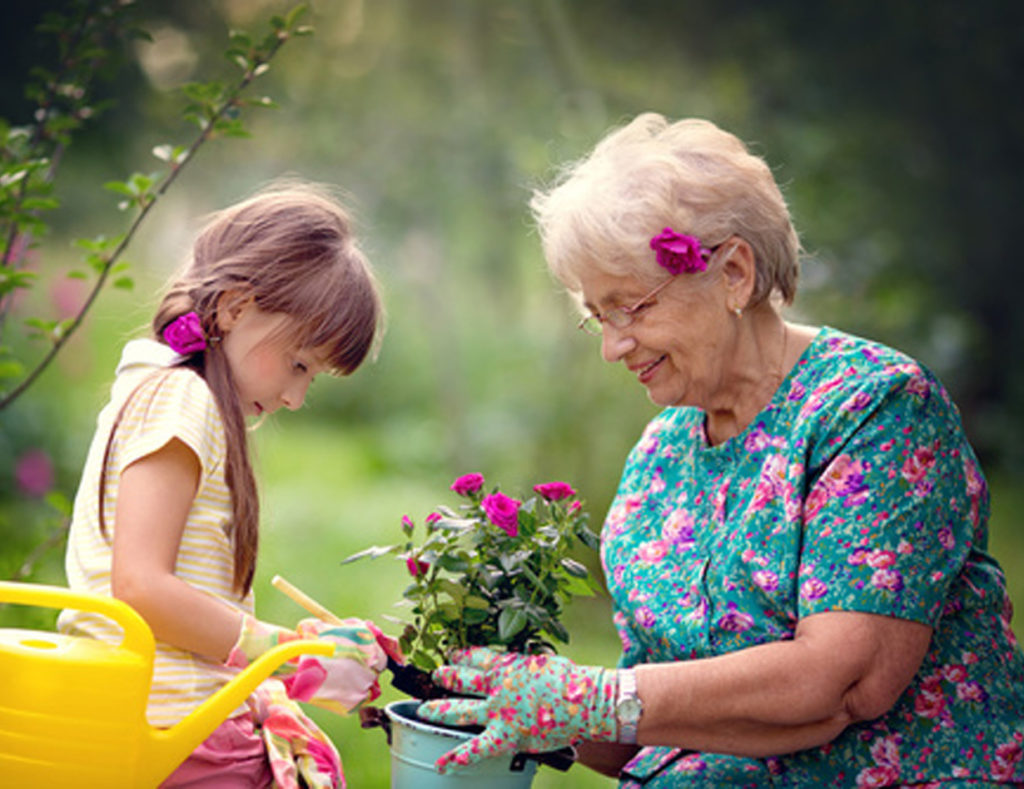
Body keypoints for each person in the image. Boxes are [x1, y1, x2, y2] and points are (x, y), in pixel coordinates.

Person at [417, 113, 1024, 786]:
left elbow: (843, 682)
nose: (612, 347)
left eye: (631, 307)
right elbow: (642, 722)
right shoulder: (658, 457)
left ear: (733, 272)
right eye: (598, 317)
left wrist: (589, 696)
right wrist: (507, 694)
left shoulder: (874, 407)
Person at [58, 180, 399, 788]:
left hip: (162, 715)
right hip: (171, 729)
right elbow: (139, 586)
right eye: (299, 364)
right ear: (236, 308)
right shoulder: (181, 398)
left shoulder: (173, 394)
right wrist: (285, 658)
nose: (296, 398)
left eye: (312, 379)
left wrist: (299, 649)